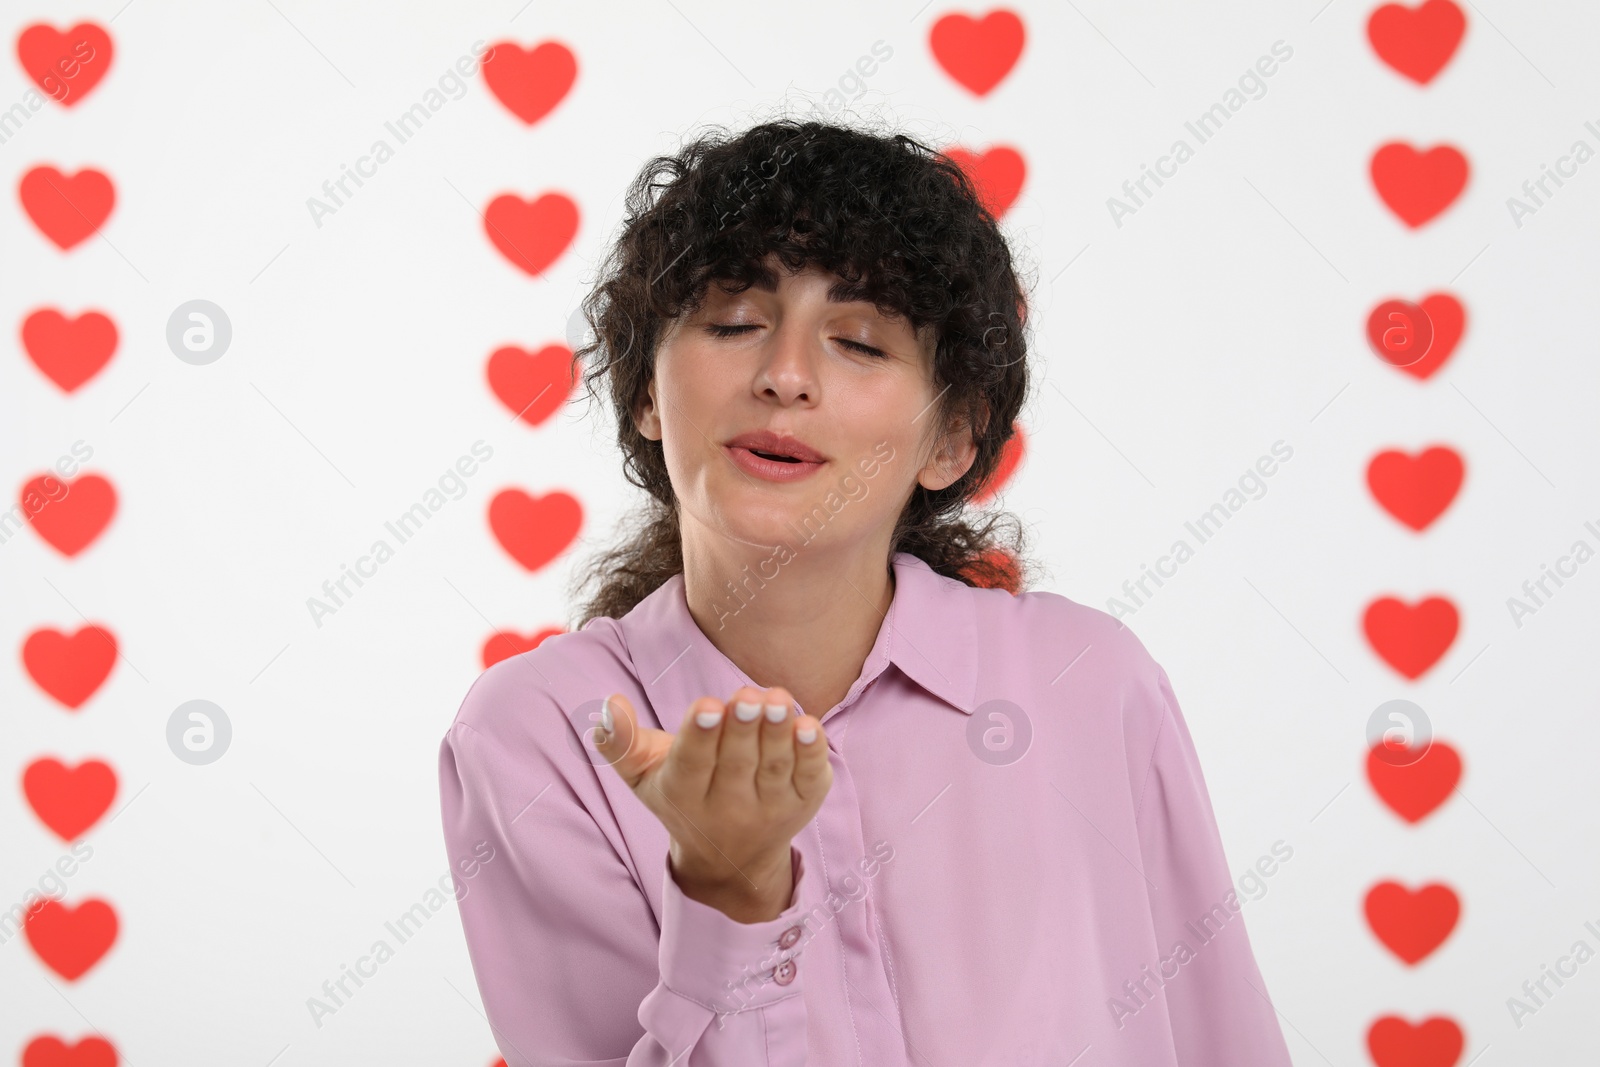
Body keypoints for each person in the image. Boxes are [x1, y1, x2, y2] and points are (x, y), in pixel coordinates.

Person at [438, 117, 1292, 1066]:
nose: (785, 376)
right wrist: (729, 892)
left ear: (953, 440)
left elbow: (1224, 1037)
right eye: (733, 322)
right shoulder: (538, 735)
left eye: (860, 342)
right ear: (645, 390)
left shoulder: (1092, 684)